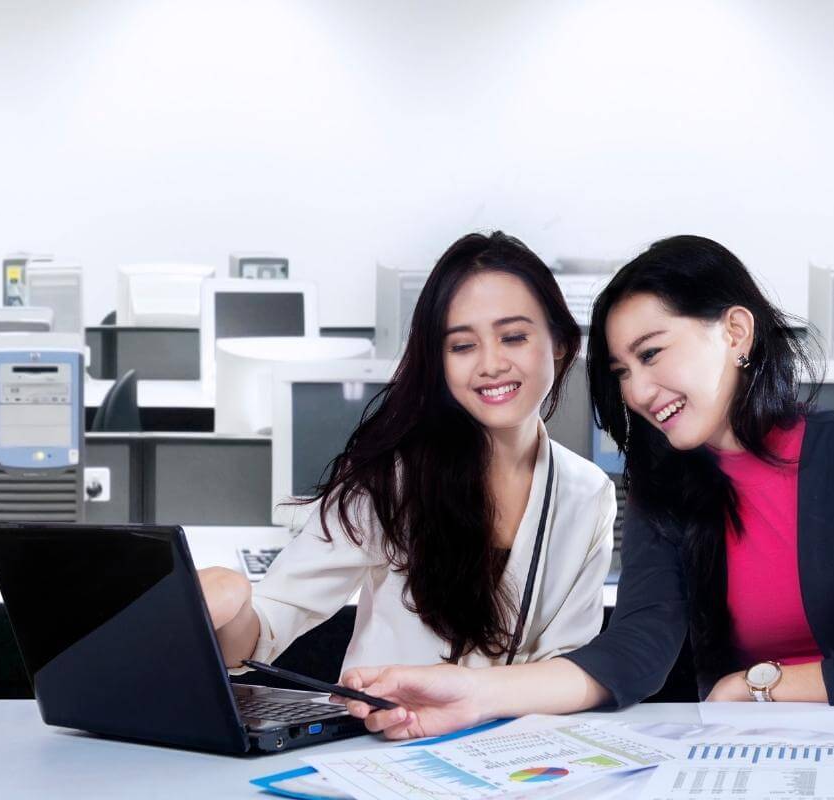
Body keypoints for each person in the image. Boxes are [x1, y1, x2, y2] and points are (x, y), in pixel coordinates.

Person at [337, 234, 834, 739]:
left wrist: (765, 685)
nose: (638, 392)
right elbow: (637, 648)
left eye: (653, 354)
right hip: (757, 756)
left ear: (735, 332)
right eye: (621, 370)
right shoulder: (665, 482)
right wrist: (475, 694)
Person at [199, 231, 617, 680]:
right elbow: (267, 626)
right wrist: (231, 604)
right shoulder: (391, 481)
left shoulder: (587, 495)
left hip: (517, 747)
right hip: (383, 741)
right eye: (462, 346)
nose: (491, 363)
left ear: (558, 342)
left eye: (513, 337)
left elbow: (570, 670)